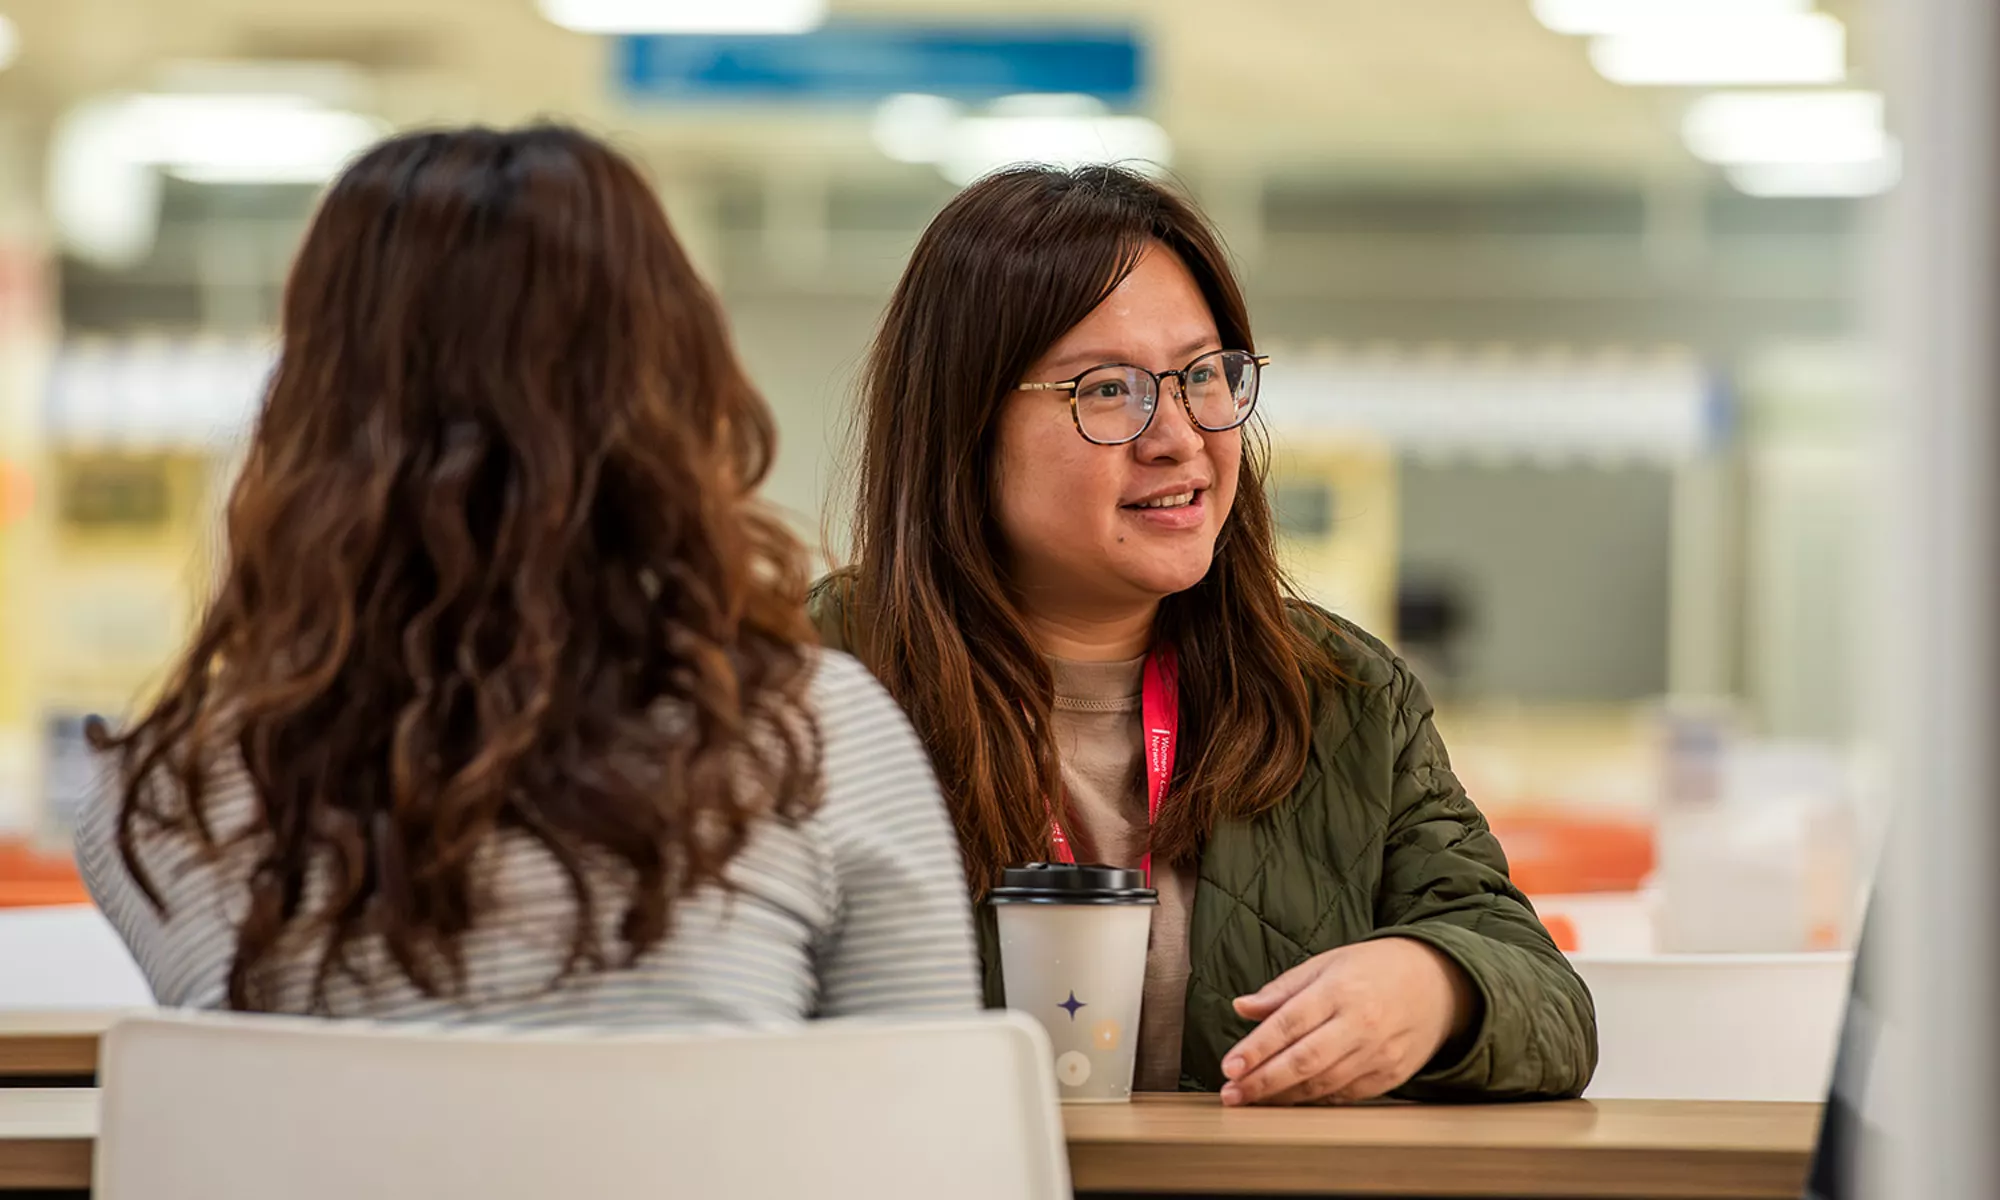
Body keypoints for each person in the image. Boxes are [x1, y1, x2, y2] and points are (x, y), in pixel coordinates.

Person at [77, 125, 979, 1025]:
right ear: (677, 394)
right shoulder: (815, 740)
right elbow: (938, 1123)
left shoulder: (164, 795)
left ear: (308, 404)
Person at [813, 164, 1596, 1104]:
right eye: (1108, 391)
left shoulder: (1338, 693)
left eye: (1202, 376)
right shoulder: (809, 685)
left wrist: (1437, 987)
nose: (1178, 436)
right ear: (965, 423)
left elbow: (1548, 1001)